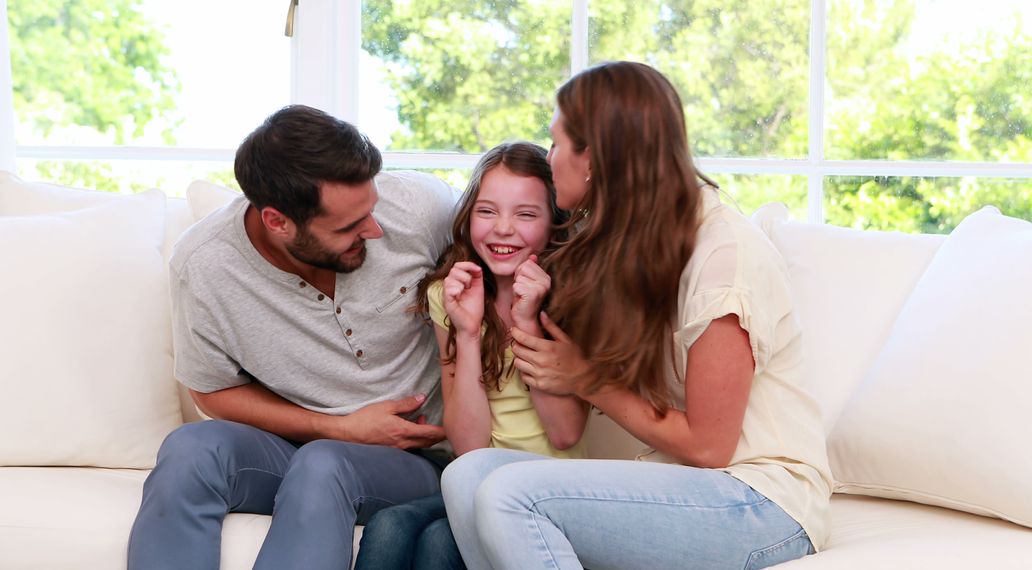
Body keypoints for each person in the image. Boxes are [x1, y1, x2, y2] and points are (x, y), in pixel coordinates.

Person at [441, 61, 834, 569]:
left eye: (557, 143)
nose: (550, 157)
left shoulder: (723, 257)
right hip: (688, 484)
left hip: (763, 500)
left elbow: (710, 446)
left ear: (594, 160)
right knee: (466, 476)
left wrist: (586, 378)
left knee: (512, 494)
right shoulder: (637, 243)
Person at [127, 105, 458, 570]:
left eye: (371, 207)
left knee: (324, 464)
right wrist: (341, 428)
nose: (374, 229)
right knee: (189, 450)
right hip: (293, 450)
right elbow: (212, 390)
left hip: (414, 458)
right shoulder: (204, 266)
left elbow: (521, 229)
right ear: (277, 222)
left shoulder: (420, 208)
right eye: (347, 227)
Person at [353, 142, 589, 570]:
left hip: (544, 484)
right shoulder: (450, 295)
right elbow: (469, 446)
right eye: (487, 211)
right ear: (467, 217)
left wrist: (529, 321)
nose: (503, 229)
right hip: (475, 477)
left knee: (441, 542)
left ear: (553, 224)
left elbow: (565, 434)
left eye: (525, 214)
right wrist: (466, 332)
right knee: (390, 527)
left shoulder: (570, 299)